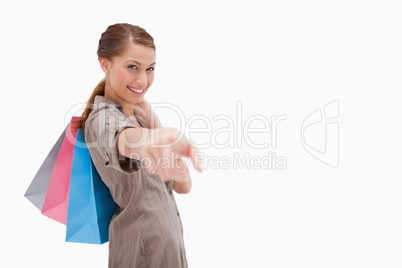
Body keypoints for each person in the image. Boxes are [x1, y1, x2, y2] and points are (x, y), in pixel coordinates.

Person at [74, 23, 202, 268]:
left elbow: (184, 184)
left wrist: (153, 121)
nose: (143, 79)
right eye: (132, 67)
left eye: (150, 69)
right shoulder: (101, 117)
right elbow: (125, 139)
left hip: (168, 250)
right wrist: (148, 140)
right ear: (105, 64)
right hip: (142, 253)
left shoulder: (142, 119)